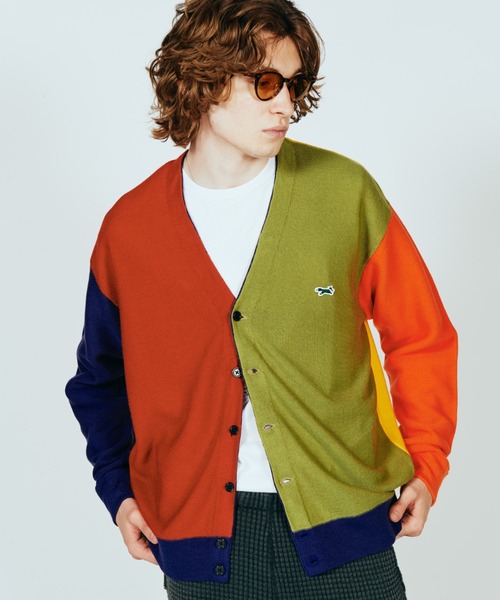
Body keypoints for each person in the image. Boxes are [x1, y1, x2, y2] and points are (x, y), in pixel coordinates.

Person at [66, 0, 458, 598]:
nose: (286, 105)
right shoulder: (130, 229)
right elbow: (99, 380)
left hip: (349, 530)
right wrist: (118, 492)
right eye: (266, 83)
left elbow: (421, 337)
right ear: (203, 79)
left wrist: (426, 463)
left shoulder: (343, 194)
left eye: (294, 85)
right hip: (198, 546)